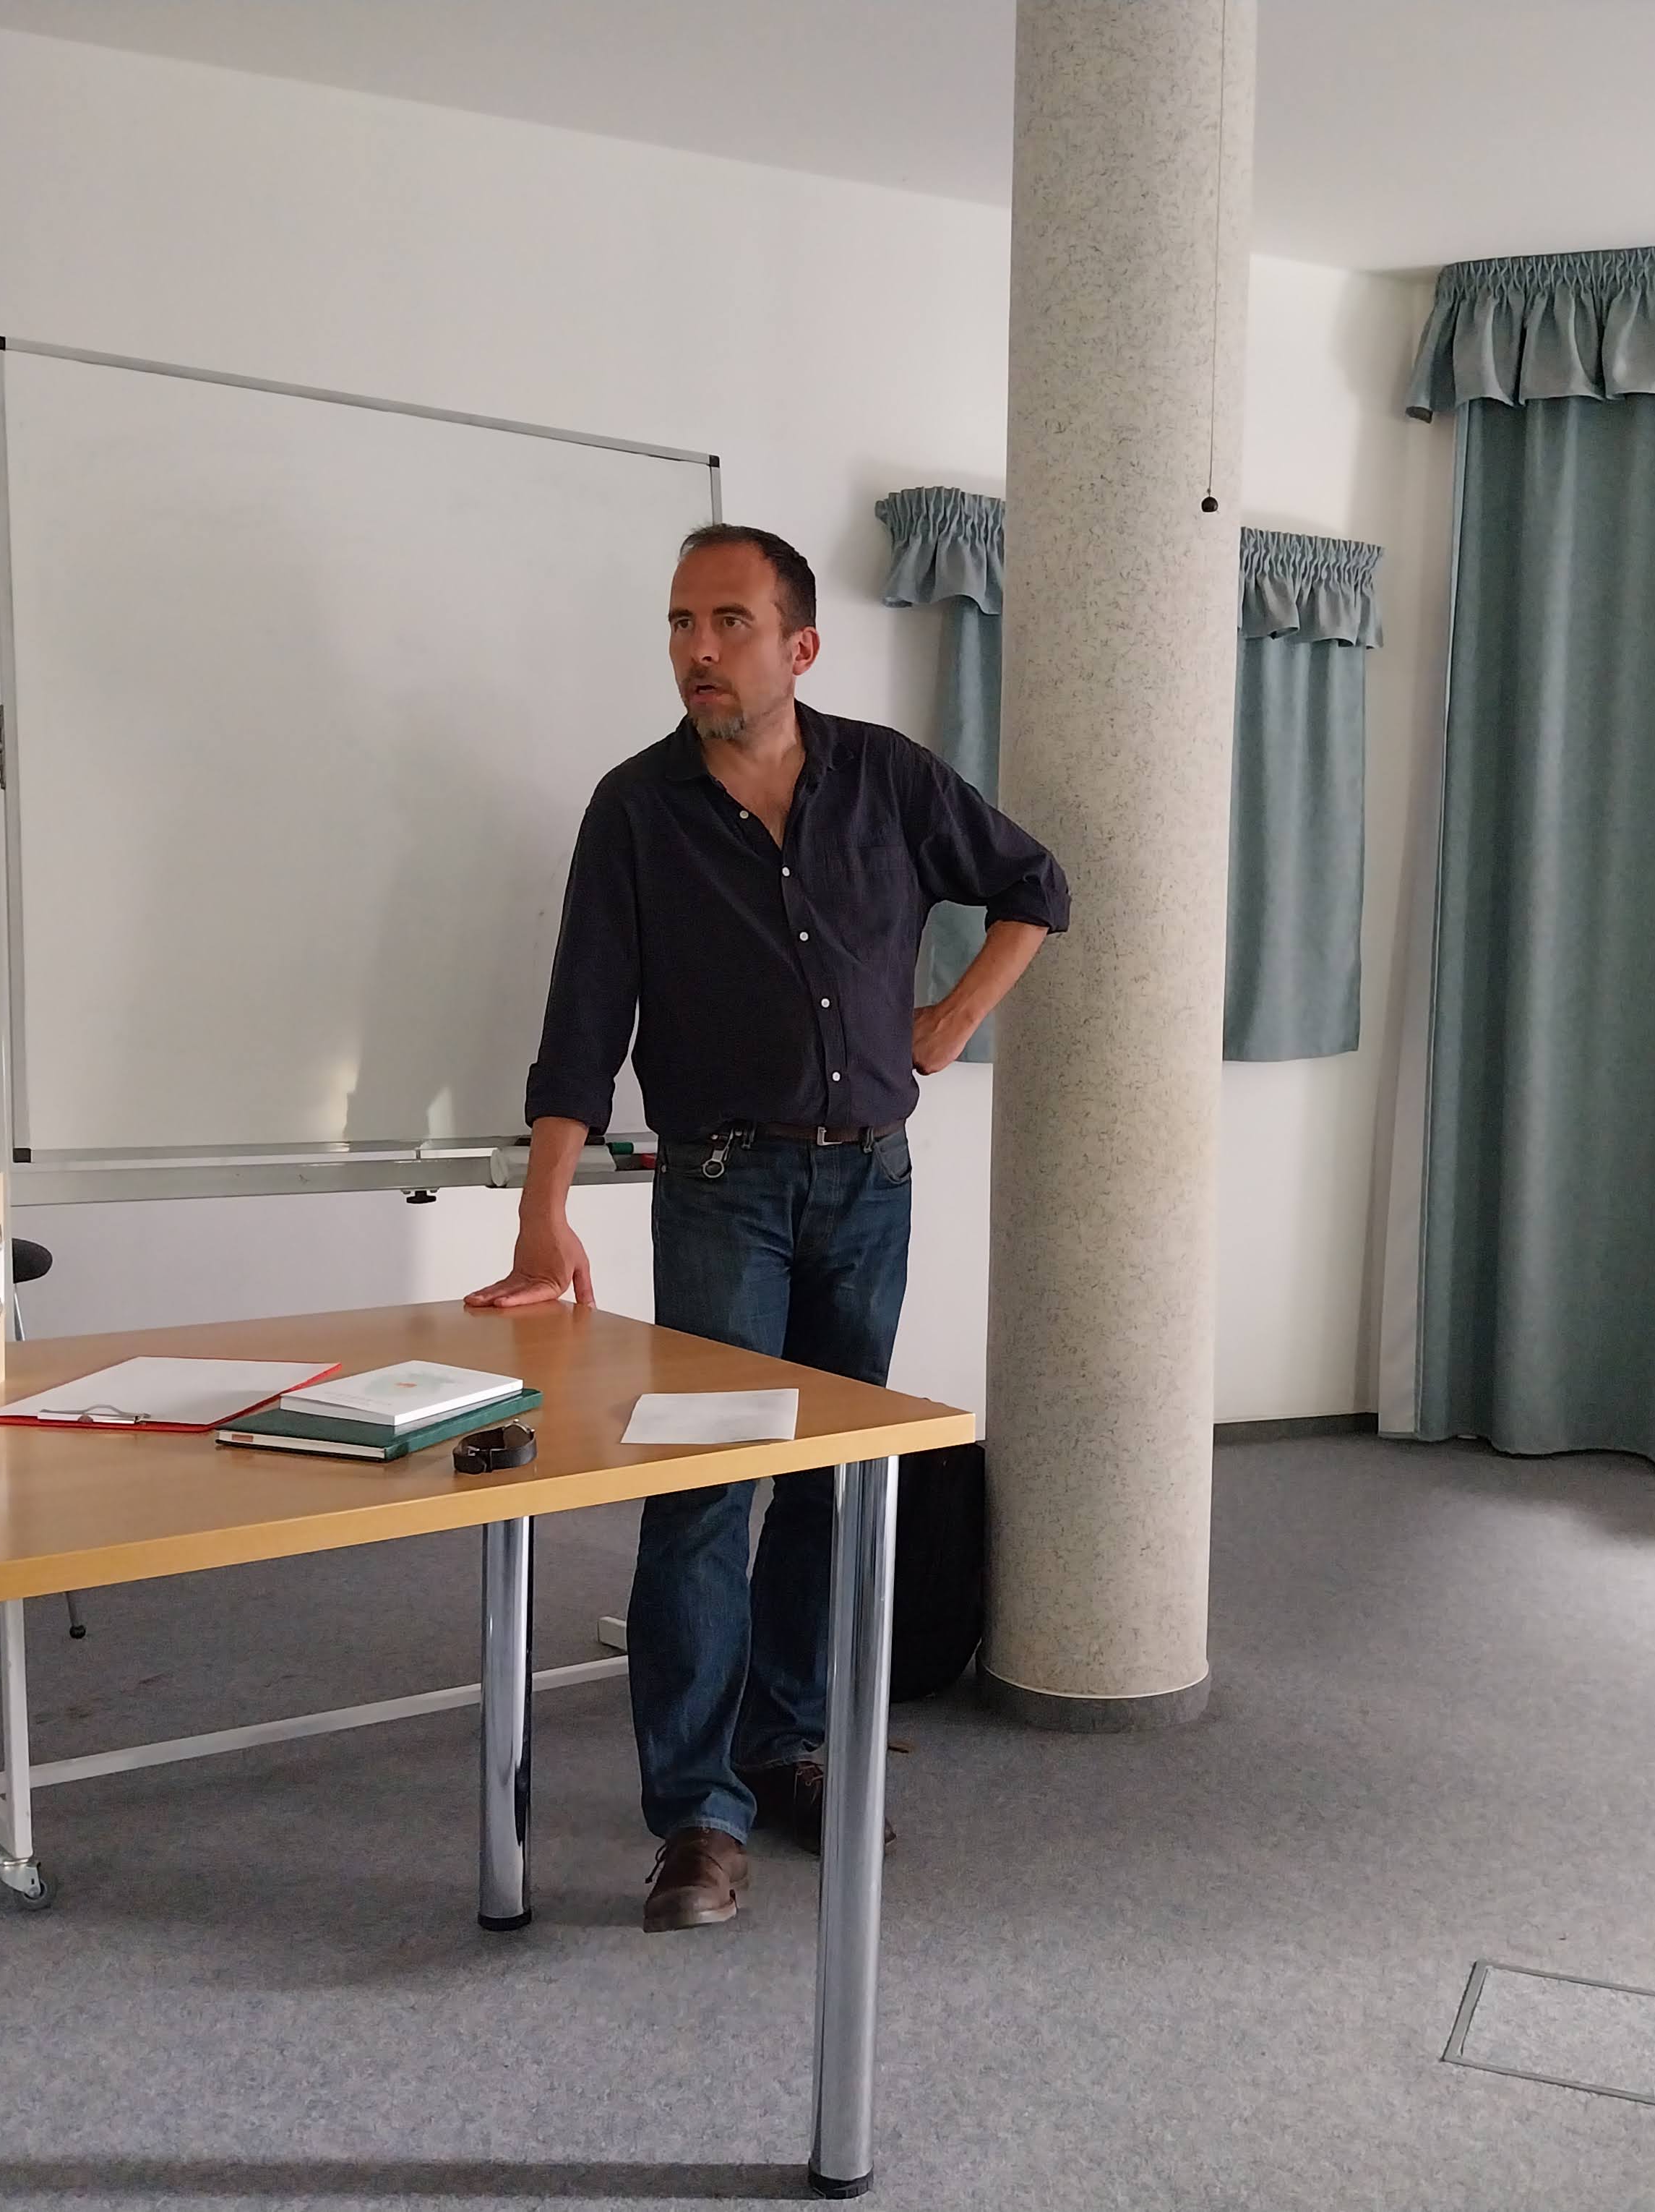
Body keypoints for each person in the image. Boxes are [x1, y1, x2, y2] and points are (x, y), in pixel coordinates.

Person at [468, 523, 1068, 1933]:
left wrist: (950, 1021)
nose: (698, 649)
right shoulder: (637, 809)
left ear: (800, 645)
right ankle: (698, 1815)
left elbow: (1036, 887)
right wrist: (543, 1214)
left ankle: (785, 1745)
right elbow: (581, 1030)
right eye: (682, 623)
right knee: (703, 1490)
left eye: (728, 622)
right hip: (723, 1192)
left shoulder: (890, 780)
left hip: (871, 1188)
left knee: (825, 1489)